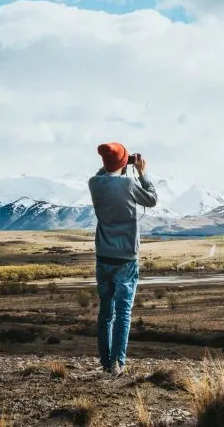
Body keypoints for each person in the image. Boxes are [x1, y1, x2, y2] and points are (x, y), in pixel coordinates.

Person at [88, 142, 157, 375]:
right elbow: (151, 199)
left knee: (106, 312)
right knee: (123, 312)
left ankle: (106, 364)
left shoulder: (94, 183)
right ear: (123, 163)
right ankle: (119, 363)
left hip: (103, 256)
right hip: (126, 257)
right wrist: (142, 173)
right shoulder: (128, 183)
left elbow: (102, 174)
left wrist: (113, 164)